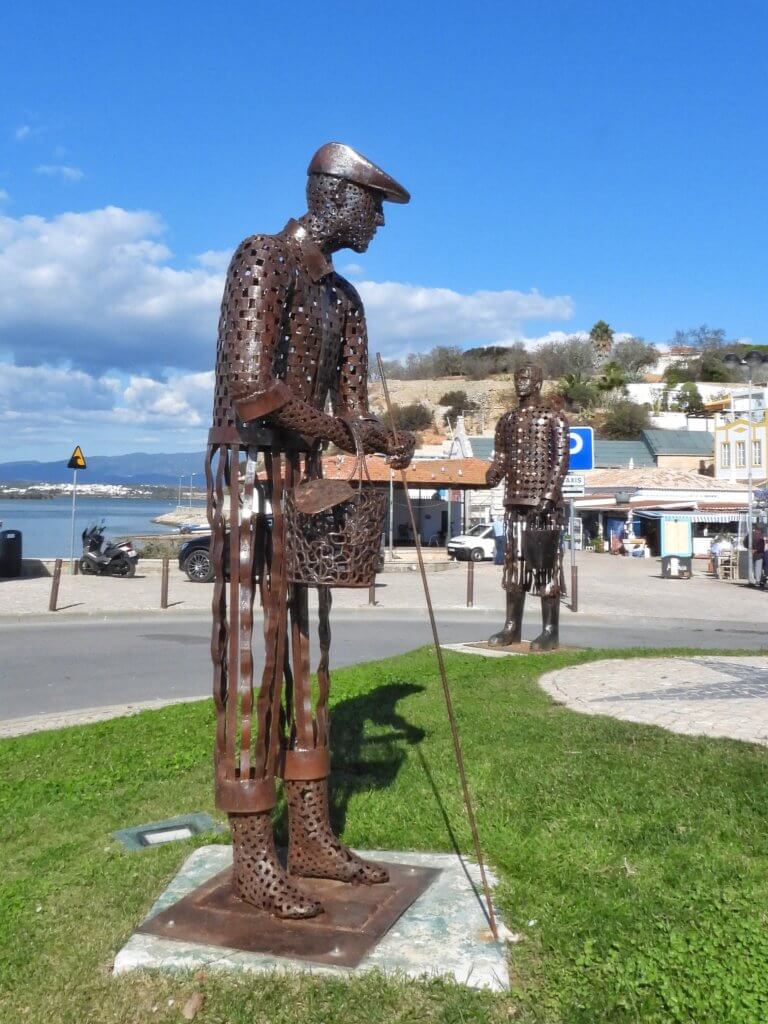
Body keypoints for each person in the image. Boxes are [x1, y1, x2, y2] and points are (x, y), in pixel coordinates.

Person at [206, 143, 415, 919]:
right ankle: (253, 855)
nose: (379, 224)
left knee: (306, 661)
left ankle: (314, 835)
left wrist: (380, 437)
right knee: (251, 670)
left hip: (305, 489)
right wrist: (329, 425)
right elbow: (253, 388)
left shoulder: (346, 301)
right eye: (373, 207)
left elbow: (351, 406)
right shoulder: (262, 259)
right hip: (253, 483)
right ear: (334, 197)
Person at [486, 364, 569, 651]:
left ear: (538, 383)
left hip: (545, 507)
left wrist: (548, 495)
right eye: (516, 378)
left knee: (546, 567)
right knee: (514, 566)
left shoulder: (553, 418)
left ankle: (550, 630)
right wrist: (489, 476)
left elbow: (560, 461)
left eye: (525, 378)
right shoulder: (506, 420)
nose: (519, 383)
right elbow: (501, 457)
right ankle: (512, 626)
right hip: (514, 503)